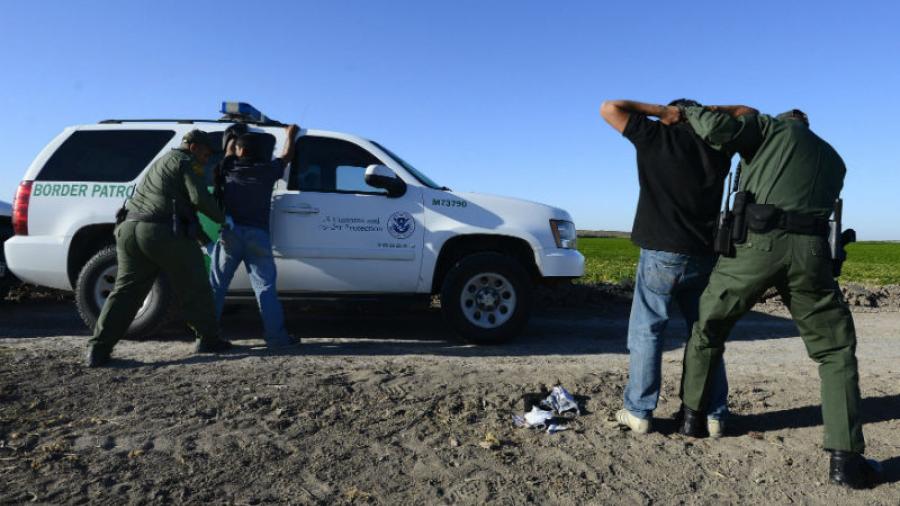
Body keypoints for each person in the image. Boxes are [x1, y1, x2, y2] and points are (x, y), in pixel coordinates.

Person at [676, 105, 882, 489]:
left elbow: (718, 128)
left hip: (756, 246)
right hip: (812, 254)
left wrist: (689, 110)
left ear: (784, 121)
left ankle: (692, 418)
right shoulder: (834, 160)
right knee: (835, 352)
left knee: (709, 328)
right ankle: (845, 460)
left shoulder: (770, 130)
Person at [599, 99, 733, 436]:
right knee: (704, 335)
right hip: (703, 254)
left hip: (660, 252)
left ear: (671, 117)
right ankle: (714, 414)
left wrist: (661, 112)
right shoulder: (718, 145)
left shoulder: (655, 136)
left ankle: (639, 411)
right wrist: (709, 113)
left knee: (647, 330)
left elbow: (609, 107)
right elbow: (750, 112)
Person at [85, 130, 230, 367]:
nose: (206, 159)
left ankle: (98, 349)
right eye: (205, 153)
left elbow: (182, 211)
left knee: (125, 292)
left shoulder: (162, 161)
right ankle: (209, 339)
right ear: (193, 147)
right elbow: (199, 199)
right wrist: (224, 218)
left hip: (129, 229)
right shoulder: (187, 162)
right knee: (196, 285)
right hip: (159, 232)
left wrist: (203, 239)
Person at [209, 124, 299, 347]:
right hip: (257, 236)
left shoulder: (229, 168)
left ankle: (207, 337)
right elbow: (286, 156)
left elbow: (229, 152)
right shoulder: (267, 170)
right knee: (265, 288)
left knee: (217, 286)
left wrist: (234, 136)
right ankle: (277, 338)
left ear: (241, 151)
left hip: (230, 234)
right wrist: (290, 135)